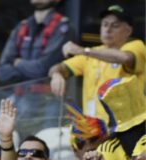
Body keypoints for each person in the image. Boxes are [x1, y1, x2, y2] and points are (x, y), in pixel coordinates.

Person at [49, 5, 145, 133]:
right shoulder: (92, 53)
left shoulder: (136, 46)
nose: (108, 29)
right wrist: (57, 75)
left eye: (115, 25)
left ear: (128, 31)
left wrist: (82, 51)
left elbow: (125, 58)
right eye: (104, 24)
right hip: (94, 129)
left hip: (127, 126)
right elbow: (58, 67)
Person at [0, 0, 71, 83]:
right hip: (18, 93)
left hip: (48, 94)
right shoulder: (21, 27)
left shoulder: (63, 27)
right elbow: (2, 70)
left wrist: (17, 62)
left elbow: (44, 69)